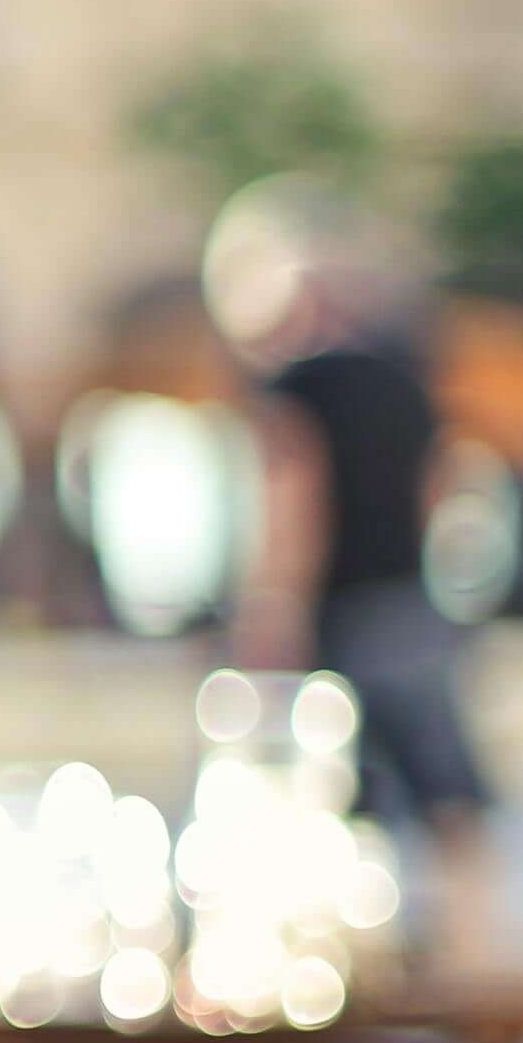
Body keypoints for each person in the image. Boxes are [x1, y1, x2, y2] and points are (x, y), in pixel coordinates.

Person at [209, 179, 497, 941]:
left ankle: (333, 943)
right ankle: (476, 941)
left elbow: (295, 502)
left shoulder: (296, 387)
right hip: (410, 599)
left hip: (341, 609)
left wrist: (271, 609)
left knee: (322, 785)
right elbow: (444, 484)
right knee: (444, 789)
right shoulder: (406, 380)